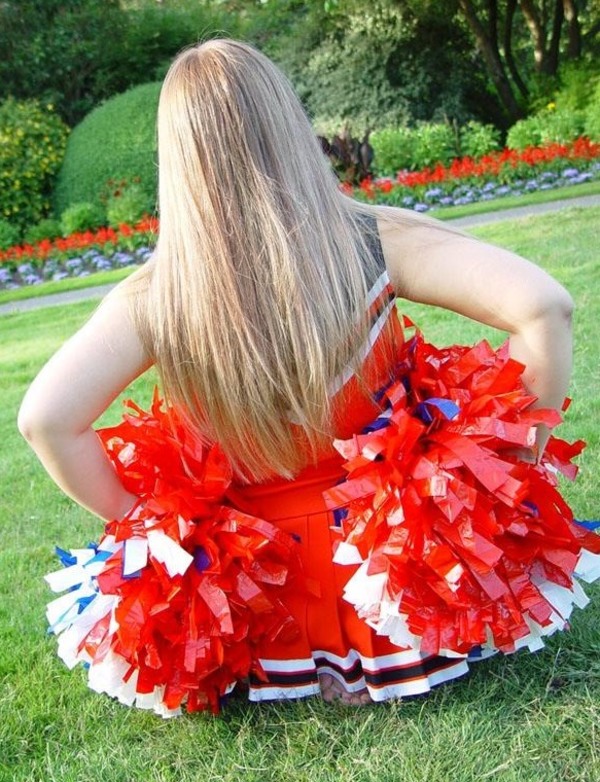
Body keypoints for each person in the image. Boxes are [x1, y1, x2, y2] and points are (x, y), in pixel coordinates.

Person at [18, 39, 599, 716]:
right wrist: (509, 475)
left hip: (261, 621)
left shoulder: (154, 300)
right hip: (401, 590)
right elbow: (543, 306)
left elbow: (46, 419)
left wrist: (153, 529)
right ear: (289, 125)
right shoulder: (375, 242)